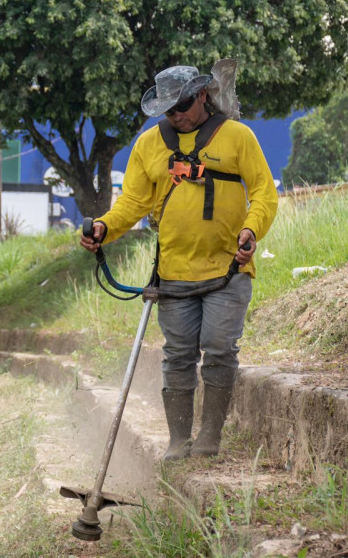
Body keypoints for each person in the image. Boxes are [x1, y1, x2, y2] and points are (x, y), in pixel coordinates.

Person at [79, 63, 278, 460]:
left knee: (220, 348)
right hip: (172, 273)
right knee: (178, 354)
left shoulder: (238, 137)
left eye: (183, 104)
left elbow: (264, 192)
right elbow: (133, 203)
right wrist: (104, 227)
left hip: (227, 270)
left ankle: (209, 436)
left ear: (202, 95)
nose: (177, 114)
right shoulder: (149, 144)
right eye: (168, 110)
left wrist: (251, 231)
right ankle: (178, 439)